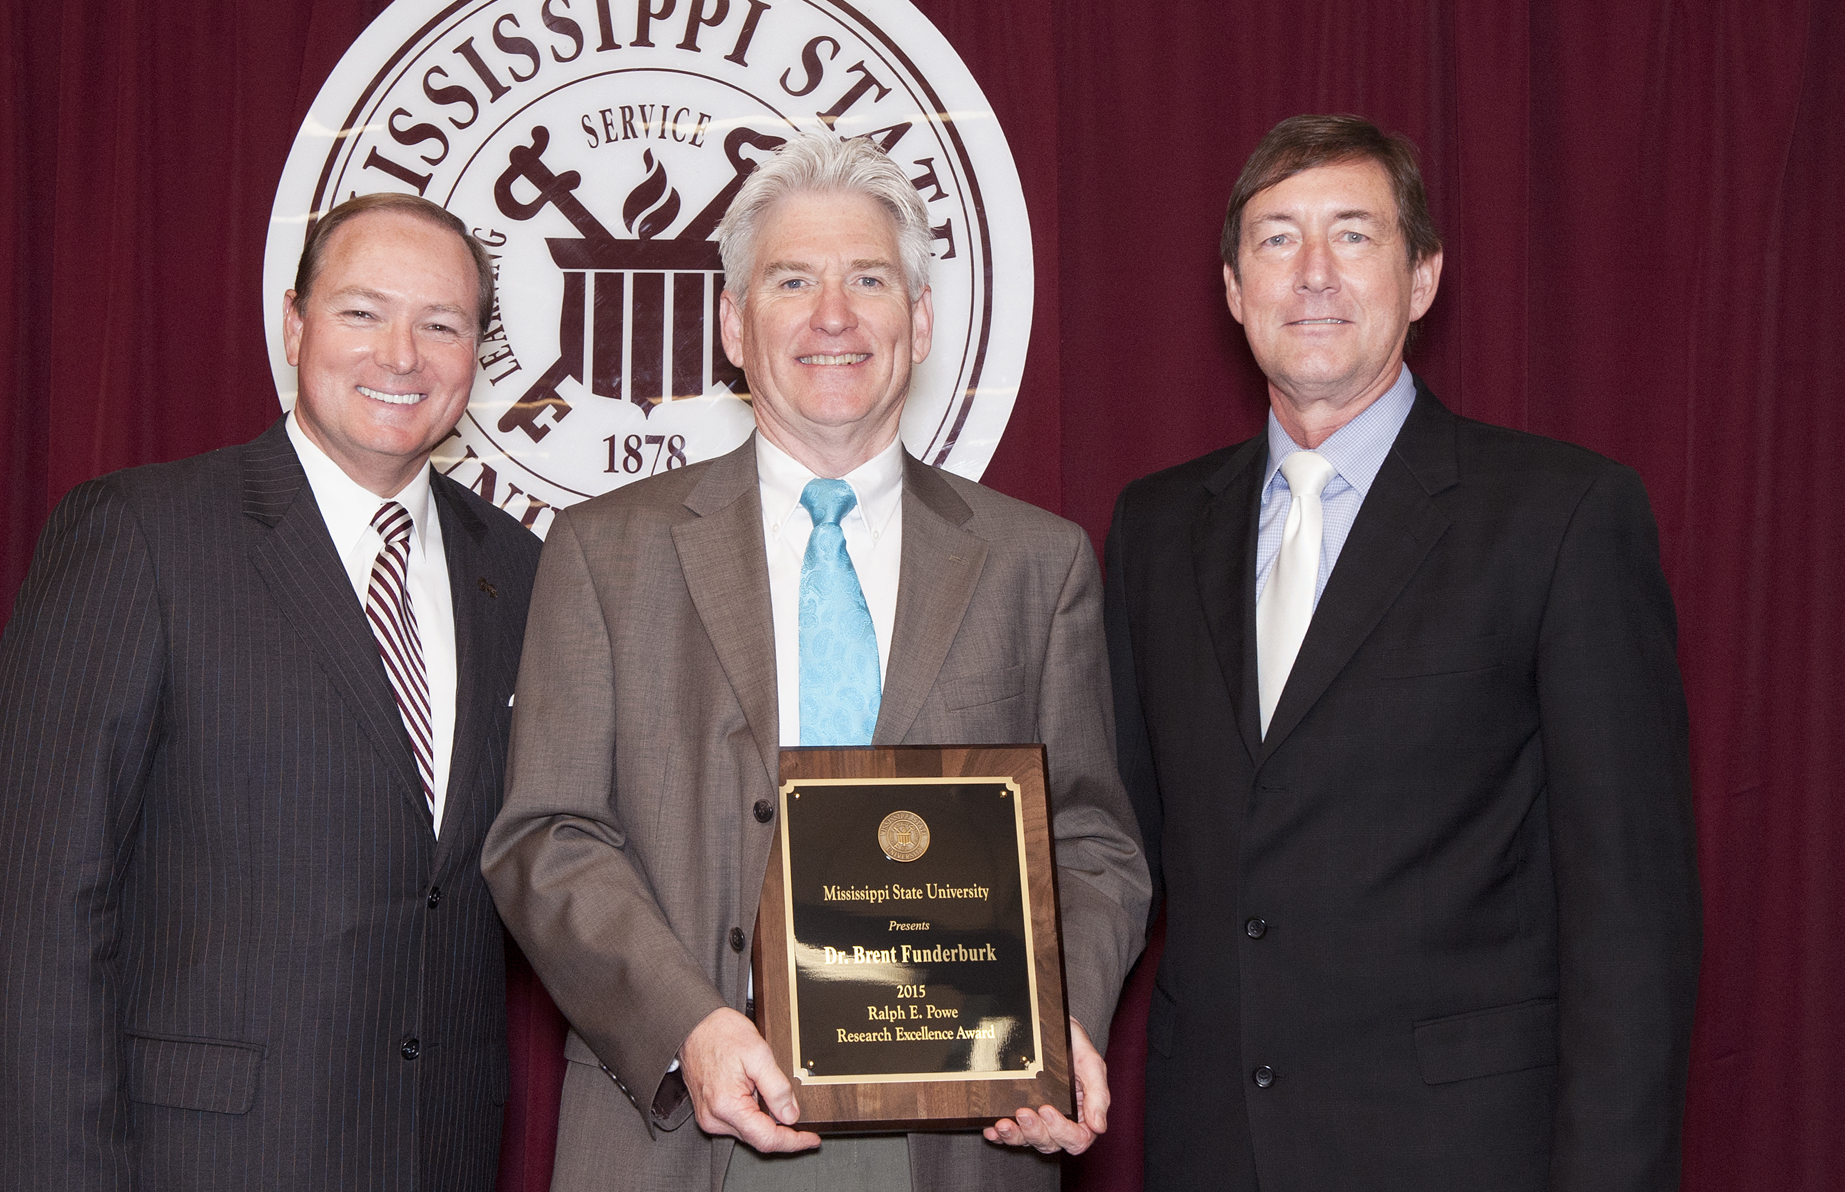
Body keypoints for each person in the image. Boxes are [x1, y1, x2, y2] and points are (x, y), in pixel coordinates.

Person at [482, 131, 1150, 1192]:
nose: (831, 315)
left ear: (919, 322)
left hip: (957, 1139)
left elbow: (1090, 839)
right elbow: (546, 837)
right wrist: (685, 1025)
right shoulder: (604, 550)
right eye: (791, 279)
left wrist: (1056, 1010)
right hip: (678, 1134)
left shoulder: (1038, 561)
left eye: (868, 280)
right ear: (732, 325)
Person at [1105, 113, 1702, 1190]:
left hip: (1462, 1153)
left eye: (1353, 235)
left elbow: (1631, 919)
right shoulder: (1152, 529)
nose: (1313, 275)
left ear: (1421, 276)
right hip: (1212, 1152)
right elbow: (1117, 847)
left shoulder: (1561, 516)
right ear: (1233, 289)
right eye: (1276, 240)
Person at [0, 193, 542, 1191]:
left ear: (475, 355)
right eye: (362, 311)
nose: (399, 354)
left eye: (440, 323)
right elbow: (39, 916)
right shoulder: (141, 537)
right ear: (293, 324)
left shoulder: (522, 573)